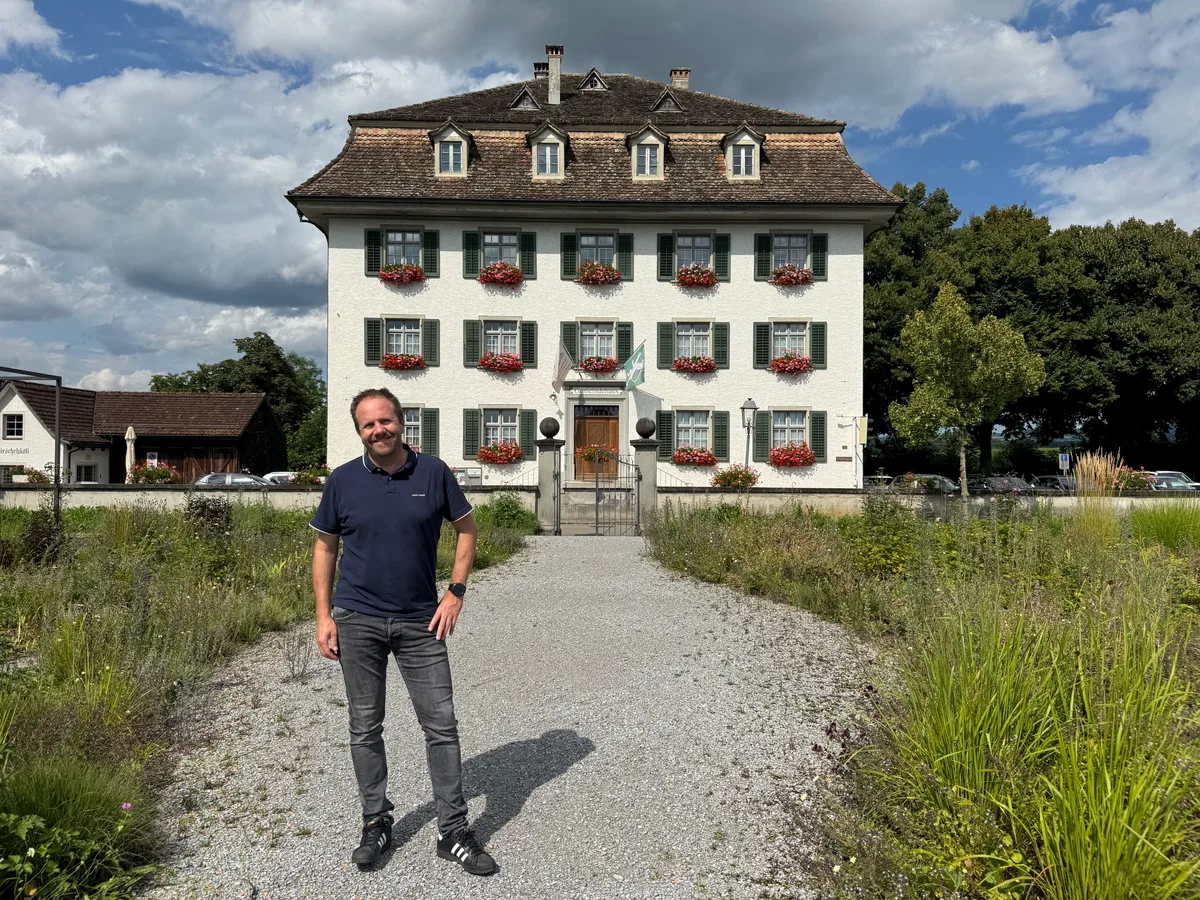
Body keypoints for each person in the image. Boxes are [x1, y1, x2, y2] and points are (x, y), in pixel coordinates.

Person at [310, 387, 496, 876]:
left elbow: (467, 529)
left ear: (402, 421)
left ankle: (452, 831)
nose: (379, 430)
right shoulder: (342, 480)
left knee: (441, 726)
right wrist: (323, 615)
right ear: (359, 431)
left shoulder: (433, 472)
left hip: (419, 621)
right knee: (364, 726)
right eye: (368, 424)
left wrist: (455, 592)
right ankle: (376, 822)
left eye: (386, 420)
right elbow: (325, 548)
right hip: (357, 619)